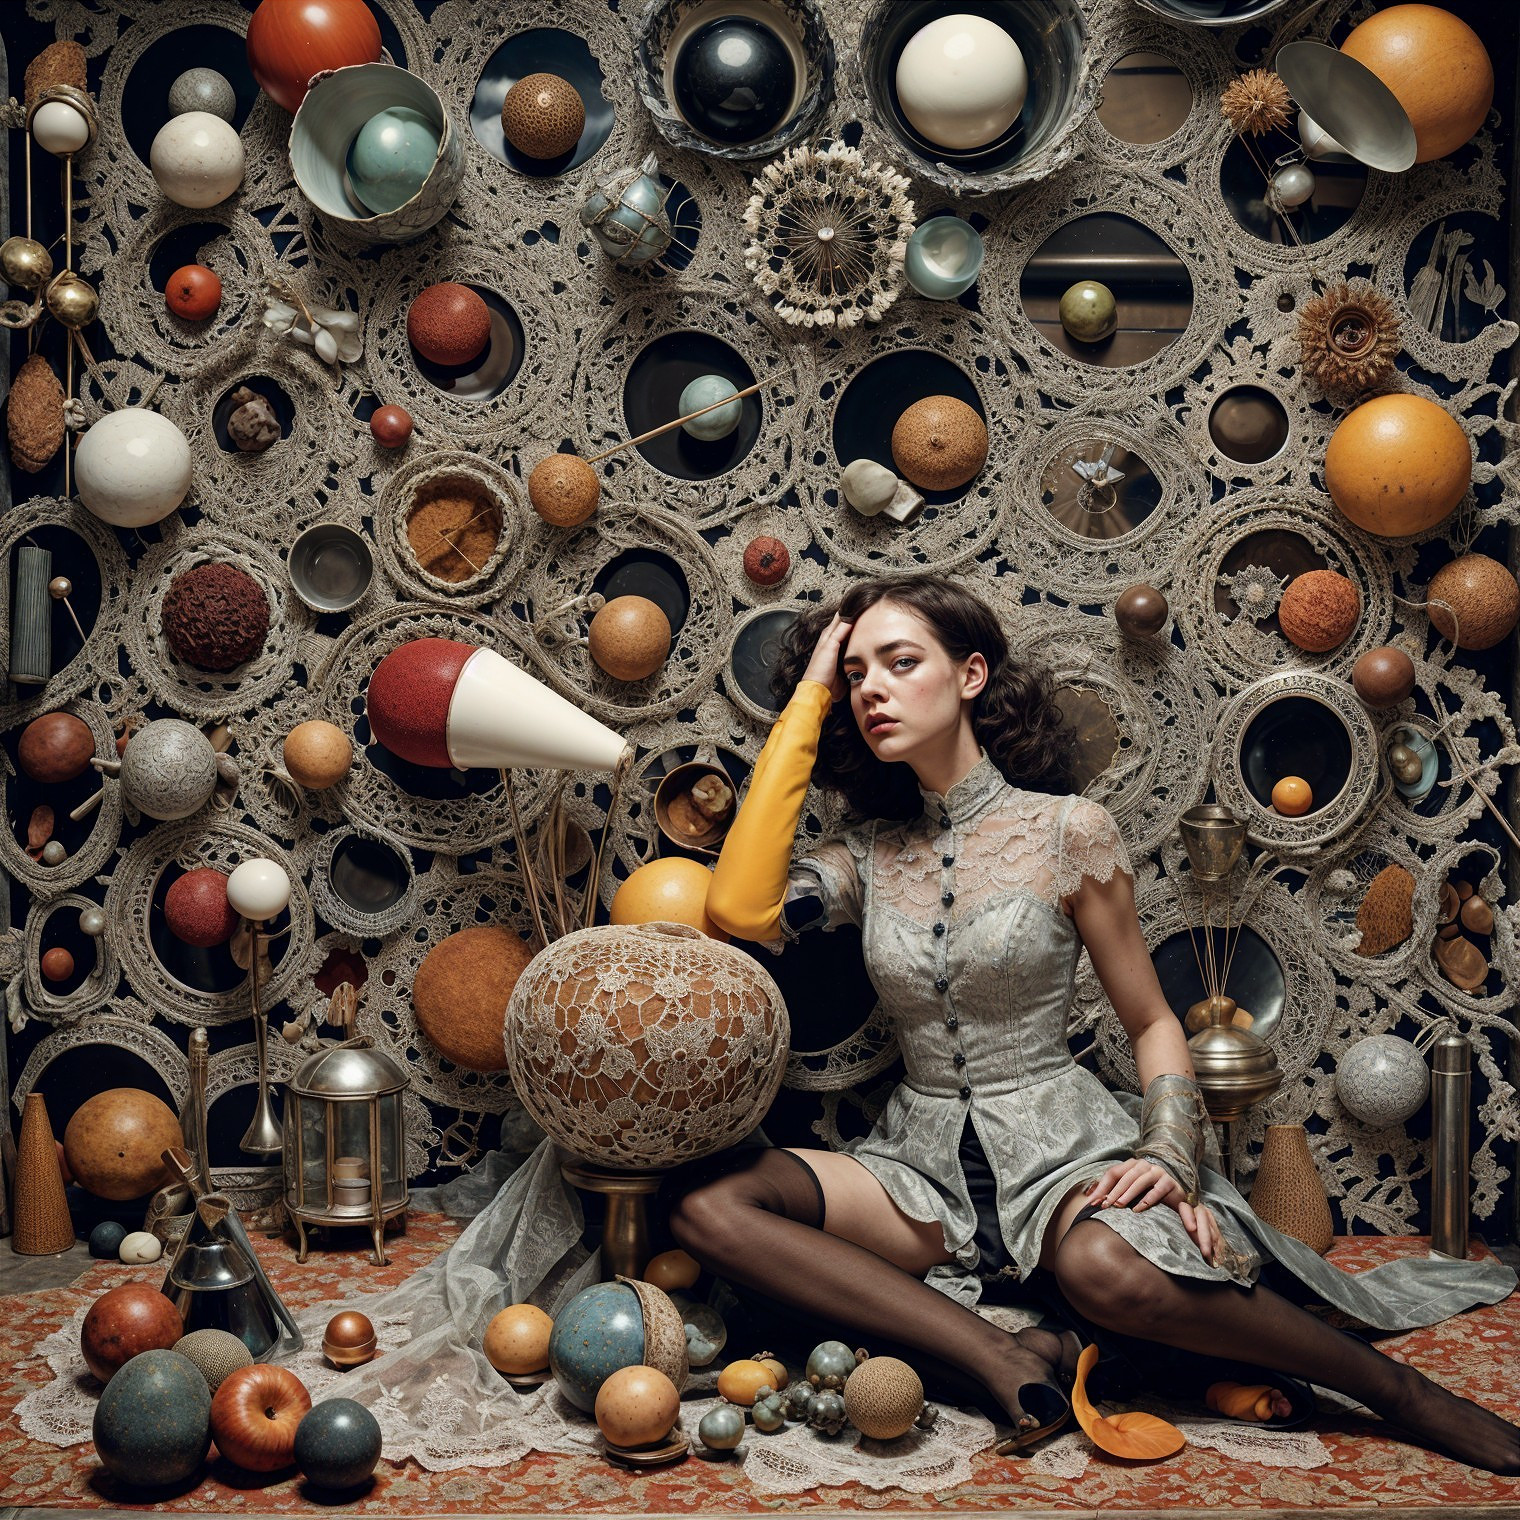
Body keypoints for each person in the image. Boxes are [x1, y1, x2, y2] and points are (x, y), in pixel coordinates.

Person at [670, 573, 1520, 1473]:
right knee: (713, 1209)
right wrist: (809, 694)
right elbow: (741, 906)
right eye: (855, 675)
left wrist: (1165, 1151)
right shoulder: (867, 859)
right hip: (915, 1167)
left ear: (969, 675)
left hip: (1060, 1147)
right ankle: (997, 1351)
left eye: (900, 661)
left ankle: (1398, 1395)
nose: (871, 688)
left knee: (1103, 1271)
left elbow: (1153, 1019)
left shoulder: (1067, 831)